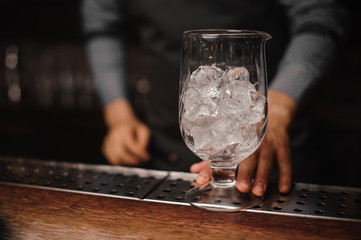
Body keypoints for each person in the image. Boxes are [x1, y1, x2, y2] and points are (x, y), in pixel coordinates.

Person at [81, 0, 350, 197]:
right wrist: (118, 115)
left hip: (275, 142)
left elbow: (323, 13)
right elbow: (102, 25)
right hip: (166, 146)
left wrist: (276, 109)